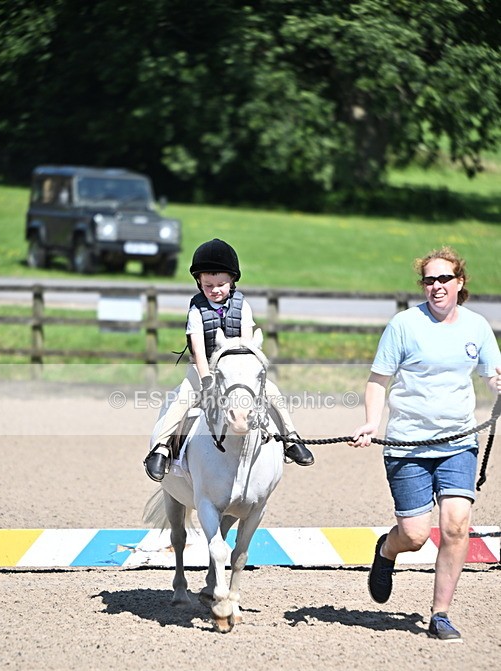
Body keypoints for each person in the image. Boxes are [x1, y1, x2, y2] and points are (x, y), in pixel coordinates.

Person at [350, 246, 501, 641]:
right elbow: (377, 381)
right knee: (415, 535)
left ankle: (441, 614)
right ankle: (387, 551)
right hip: (408, 445)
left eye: (443, 279)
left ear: (459, 283)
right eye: (429, 280)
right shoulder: (404, 325)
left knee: (456, 526)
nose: (436, 286)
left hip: (457, 442)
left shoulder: (476, 327)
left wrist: (498, 383)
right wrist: (370, 422)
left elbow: (492, 375)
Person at [144, 238, 314, 481]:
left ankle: (291, 438)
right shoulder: (196, 311)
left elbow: (247, 345)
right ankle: (160, 448)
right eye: (208, 285)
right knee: (180, 401)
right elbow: (199, 351)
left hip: (237, 371)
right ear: (199, 283)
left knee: (273, 393)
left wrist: (244, 374)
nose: (215, 290)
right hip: (203, 371)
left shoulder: (242, 307)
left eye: (221, 284)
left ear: (232, 280)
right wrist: (205, 380)